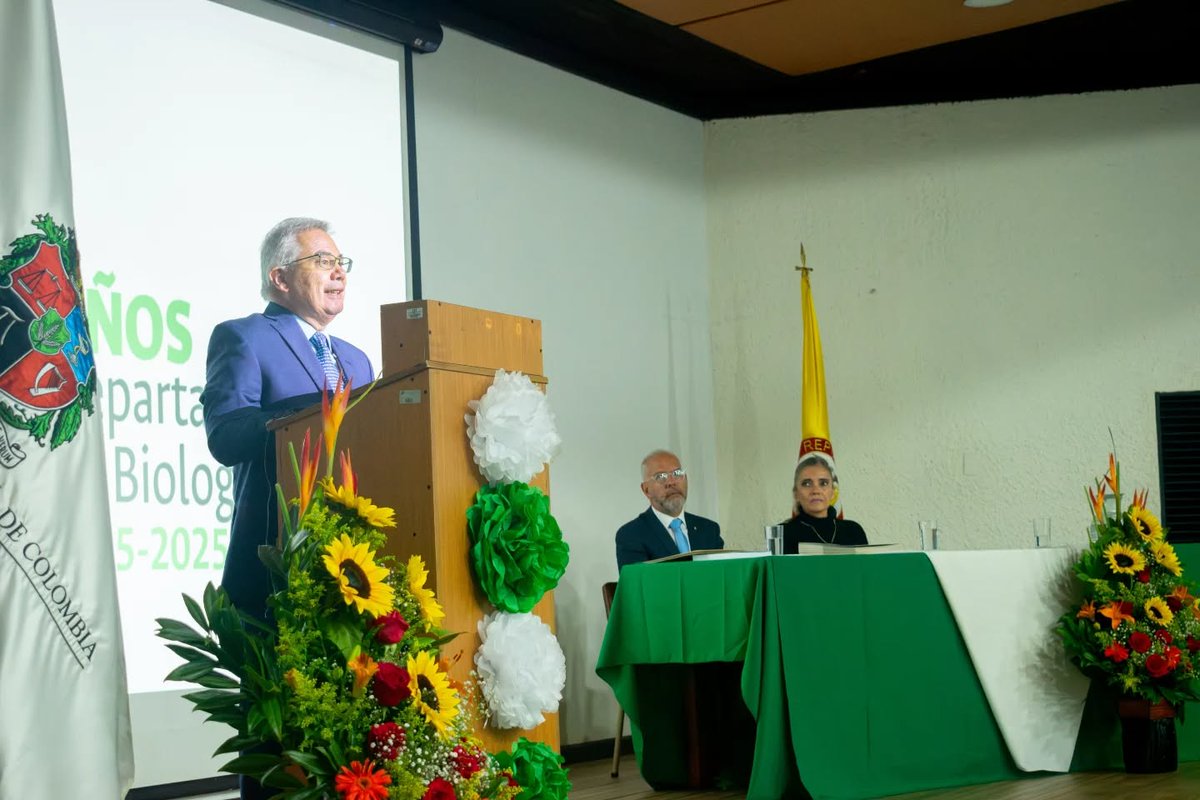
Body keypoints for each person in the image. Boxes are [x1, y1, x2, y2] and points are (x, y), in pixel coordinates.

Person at [201, 217, 374, 622]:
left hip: (354, 573)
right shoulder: (243, 337)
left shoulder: (358, 361)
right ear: (280, 277)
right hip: (275, 569)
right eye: (322, 260)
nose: (339, 273)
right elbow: (225, 435)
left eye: (341, 262)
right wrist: (316, 412)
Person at [615, 449, 723, 570]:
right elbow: (639, 586)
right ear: (646, 489)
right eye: (660, 477)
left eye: (677, 474)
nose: (671, 482)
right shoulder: (632, 535)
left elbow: (722, 578)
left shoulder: (709, 530)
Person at [781, 455, 868, 551]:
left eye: (823, 483)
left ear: (833, 491)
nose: (816, 491)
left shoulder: (853, 531)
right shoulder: (782, 534)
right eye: (807, 483)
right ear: (796, 493)